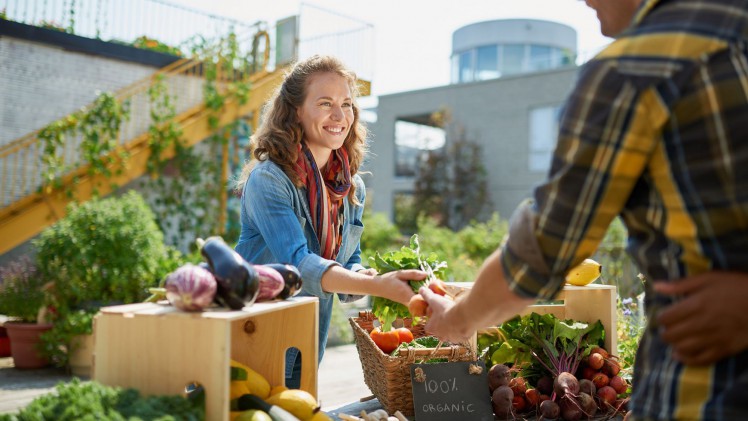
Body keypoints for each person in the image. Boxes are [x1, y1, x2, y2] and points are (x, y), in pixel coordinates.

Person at [419, 0, 748, 419]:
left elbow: (543, 249)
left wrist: (460, 318)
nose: (586, 1)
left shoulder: (634, 68)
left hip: (710, 391)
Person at [234, 54, 423, 388]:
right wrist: (376, 285)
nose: (340, 116)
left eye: (347, 104)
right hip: (253, 336)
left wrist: (362, 275)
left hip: (307, 341)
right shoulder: (269, 180)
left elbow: (347, 260)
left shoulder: (351, 187)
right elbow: (297, 267)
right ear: (295, 111)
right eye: (325, 103)